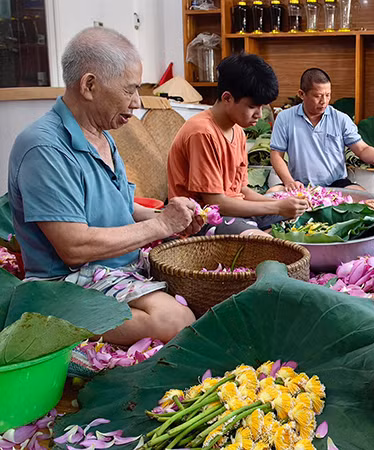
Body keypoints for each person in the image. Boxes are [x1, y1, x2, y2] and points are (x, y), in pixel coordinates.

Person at [7, 27, 197, 345]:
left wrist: (173, 219)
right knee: (175, 320)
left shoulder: (102, 136)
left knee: (199, 296)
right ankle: (49, 324)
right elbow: (74, 248)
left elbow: (122, 205)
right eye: (130, 90)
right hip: (65, 281)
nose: (137, 102)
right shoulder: (45, 148)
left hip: (116, 268)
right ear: (90, 85)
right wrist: (162, 225)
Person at [167, 53, 309, 235]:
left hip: (234, 211)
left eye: (262, 107)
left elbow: (242, 191)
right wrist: (277, 207)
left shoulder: (238, 132)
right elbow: (216, 203)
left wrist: (284, 205)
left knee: (304, 220)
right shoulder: (202, 132)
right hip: (201, 220)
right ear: (227, 98)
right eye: (252, 106)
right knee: (265, 240)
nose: (259, 114)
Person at [268, 68, 374, 191]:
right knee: (272, 194)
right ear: (302, 94)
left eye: (327, 95)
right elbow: (276, 155)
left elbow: (362, 149)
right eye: (317, 96)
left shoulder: (341, 119)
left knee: (362, 196)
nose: (324, 101)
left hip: (336, 184)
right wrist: (289, 182)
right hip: (299, 185)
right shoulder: (285, 118)